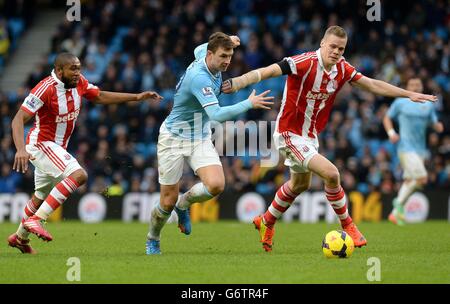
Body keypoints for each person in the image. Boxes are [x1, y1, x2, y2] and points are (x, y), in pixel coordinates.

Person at [222, 25, 437, 252]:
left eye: (341, 48)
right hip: (288, 134)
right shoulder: (304, 62)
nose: (336, 51)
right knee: (332, 173)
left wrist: (408, 94)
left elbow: (372, 84)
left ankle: (266, 220)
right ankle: (349, 226)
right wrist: (238, 83)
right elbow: (267, 71)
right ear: (322, 44)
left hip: (310, 136)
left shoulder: (342, 68)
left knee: (299, 184)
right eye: (332, 46)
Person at [8, 52, 163, 254]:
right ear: (58, 70)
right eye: (72, 68)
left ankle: (19, 238)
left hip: (57, 148)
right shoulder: (45, 88)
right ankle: (37, 220)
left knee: (40, 196)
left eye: (79, 68)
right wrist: (20, 149)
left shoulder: (79, 82)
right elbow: (18, 119)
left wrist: (137, 96)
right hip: (41, 145)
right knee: (79, 175)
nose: (77, 72)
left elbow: (98, 96)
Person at [145, 32, 274, 255]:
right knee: (167, 201)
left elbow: (200, 46)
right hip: (173, 137)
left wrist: (229, 40)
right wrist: (248, 103)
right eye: (223, 56)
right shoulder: (200, 77)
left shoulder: (204, 53)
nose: (227, 61)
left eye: (230, 56)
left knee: (216, 185)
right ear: (211, 54)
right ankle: (153, 238)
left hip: (199, 135)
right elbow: (215, 114)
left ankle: (183, 204)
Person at [383, 77, 444, 225]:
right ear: (407, 86)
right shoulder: (400, 102)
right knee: (422, 179)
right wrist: (391, 133)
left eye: (417, 84)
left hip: (421, 149)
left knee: (410, 180)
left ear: (422, 86)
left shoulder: (427, 105)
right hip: (405, 148)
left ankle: (395, 213)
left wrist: (437, 127)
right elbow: (387, 118)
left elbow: (433, 122)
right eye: (412, 85)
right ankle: (398, 202)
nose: (415, 87)